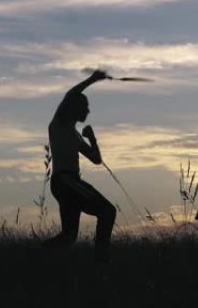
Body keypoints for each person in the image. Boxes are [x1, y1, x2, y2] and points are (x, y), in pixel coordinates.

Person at [43, 69, 116, 263]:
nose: (88, 111)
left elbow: (96, 159)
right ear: (75, 108)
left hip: (67, 183)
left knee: (69, 237)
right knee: (108, 211)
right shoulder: (58, 125)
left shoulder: (74, 134)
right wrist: (93, 79)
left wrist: (92, 139)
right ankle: (101, 261)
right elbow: (70, 95)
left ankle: (36, 255)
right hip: (65, 181)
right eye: (85, 107)